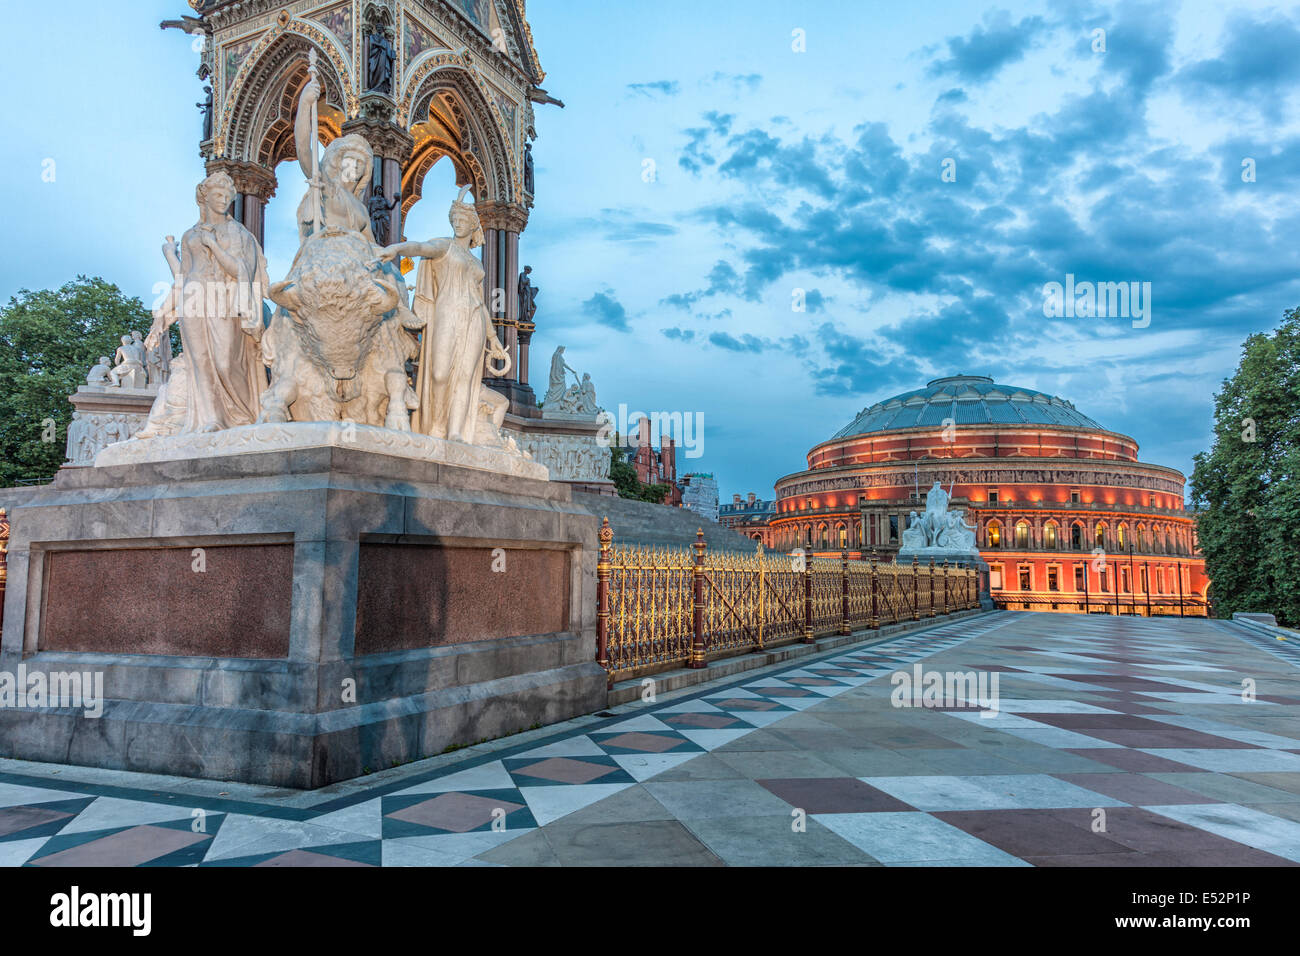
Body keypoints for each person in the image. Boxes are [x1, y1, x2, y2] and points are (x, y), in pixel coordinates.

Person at [377, 186, 511, 443]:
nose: (458, 224)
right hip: (446, 313)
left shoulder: (476, 263)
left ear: (474, 226)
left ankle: (456, 432)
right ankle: (436, 426)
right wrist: (396, 249)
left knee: (464, 376)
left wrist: (493, 339)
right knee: (439, 373)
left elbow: (482, 303)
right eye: (455, 220)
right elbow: (420, 247)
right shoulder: (444, 246)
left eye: (463, 220)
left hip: (473, 318)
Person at [146, 170, 267, 432]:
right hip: (193, 299)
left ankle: (242, 416)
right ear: (205, 197)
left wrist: (213, 244)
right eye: (218, 194)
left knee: (225, 361)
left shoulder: (240, 234)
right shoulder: (190, 236)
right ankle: (212, 418)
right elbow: (182, 278)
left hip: (223, 298)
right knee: (200, 363)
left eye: (227, 195)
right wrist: (162, 315)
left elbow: (240, 270)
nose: (223, 199)